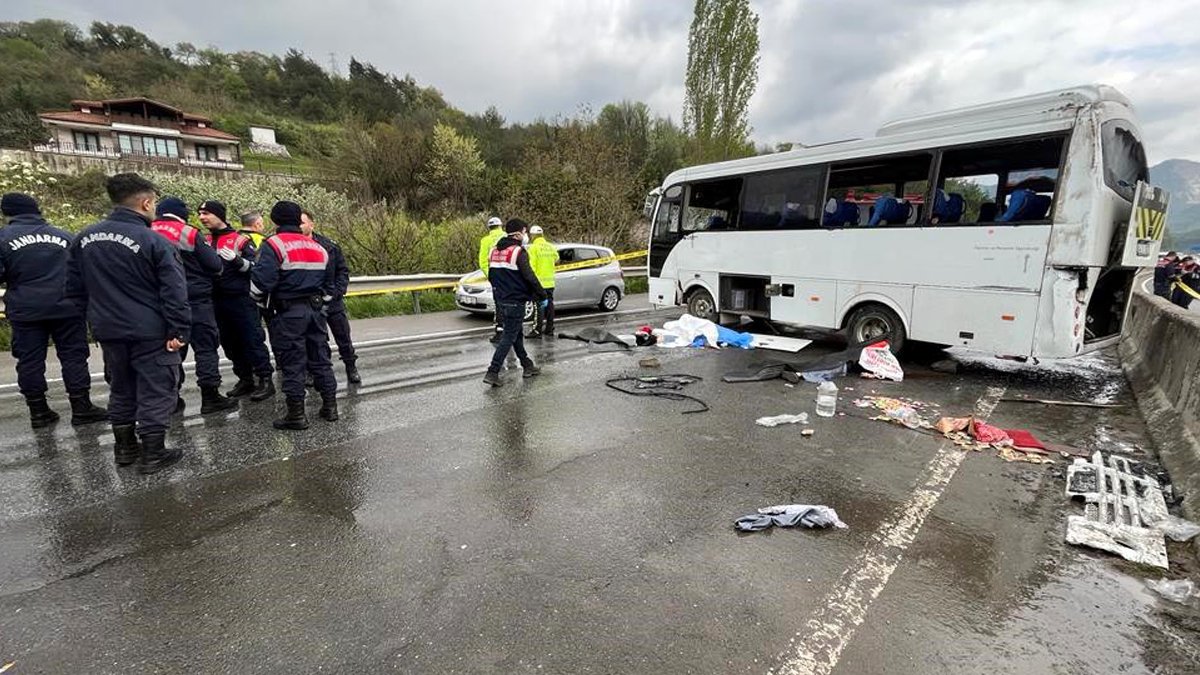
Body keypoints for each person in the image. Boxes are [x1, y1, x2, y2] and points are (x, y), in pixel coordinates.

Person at [65, 173, 190, 474]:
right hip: (151, 331)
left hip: (108, 329)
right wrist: (179, 330)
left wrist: (95, 319)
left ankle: (124, 448)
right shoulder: (153, 241)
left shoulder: (83, 239)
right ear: (146, 202)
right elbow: (174, 290)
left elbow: (73, 288)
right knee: (157, 388)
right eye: (154, 203)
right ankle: (153, 452)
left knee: (120, 388)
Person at [0, 192, 107, 428]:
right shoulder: (65, 236)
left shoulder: (3, 238)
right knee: (74, 357)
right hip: (67, 306)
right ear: (37, 210)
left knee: (29, 360)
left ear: (7, 213)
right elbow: (84, 271)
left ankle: (38, 411)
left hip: (26, 309)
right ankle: (81, 407)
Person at [251, 201, 338, 430]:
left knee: (293, 362)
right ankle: (330, 406)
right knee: (320, 358)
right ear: (299, 220)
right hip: (316, 311)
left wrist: (261, 303)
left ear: (275, 220)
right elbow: (330, 285)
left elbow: (262, 282)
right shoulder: (318, 247)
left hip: (288, 312)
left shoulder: (274, 244)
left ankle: (296, 414)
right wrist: (322, 305)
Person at [151, 197, 237, 415]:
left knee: (171, 350)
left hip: (161, 302)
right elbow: (214, 264)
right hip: (196, 299)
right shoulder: (188, 232)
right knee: (206, 348)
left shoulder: (145, 230)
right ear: (182, 214)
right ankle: (210, 397)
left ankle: (172, 398)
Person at [200, 200, 275, 402]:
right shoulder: (203, 240)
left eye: (206, 213)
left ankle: (266, 380)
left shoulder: (240, 240)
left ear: (219, 215)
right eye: (199, 213)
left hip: (241, 299)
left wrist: (238, 261)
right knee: (229, 343)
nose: (201, 217)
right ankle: (245, 378)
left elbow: (256, 268)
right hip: (215, 300)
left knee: (252, 340)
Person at [483, 218, 546, 387]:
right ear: (519, 233)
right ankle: (492, 371)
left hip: (502, 299)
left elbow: (492, 276)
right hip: (515, 300)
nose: (526, 235)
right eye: (525, 232)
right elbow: (529, 276)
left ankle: (527, 365)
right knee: (508, 336)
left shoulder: (494, 251)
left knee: (516, 333)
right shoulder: (518, 252)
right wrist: (542, 295)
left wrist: (501, 291)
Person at [301, 209, 359, 383]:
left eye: (302, 222)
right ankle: (315, 372)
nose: (299, 226)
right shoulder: (293, 247)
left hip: (332, 301)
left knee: (343, 337)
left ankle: (351, 367)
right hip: (310, 303)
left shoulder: (329, 246)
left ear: (312, 224)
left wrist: (336, 292)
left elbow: (342, 271)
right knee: (314, 341)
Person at [526, 225, 559, 338]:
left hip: (539, 284)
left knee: (538, 307)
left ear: (532, 235)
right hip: (550, 282)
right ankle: (549, 329)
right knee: (549, 306)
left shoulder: (533, 248)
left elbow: (532, 267)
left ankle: (537, 330)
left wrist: (530, 282)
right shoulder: (550, 246)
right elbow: (557, 258)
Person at [479, 216, 505, 343]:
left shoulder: (486, 240)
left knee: (499, 304)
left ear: (489, 228)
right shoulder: (507, 236)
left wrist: (491, 275)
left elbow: (483, 261)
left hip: (496, 276)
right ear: (501, 225)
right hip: (510, 274)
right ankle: (514, 330)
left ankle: (500, 331)